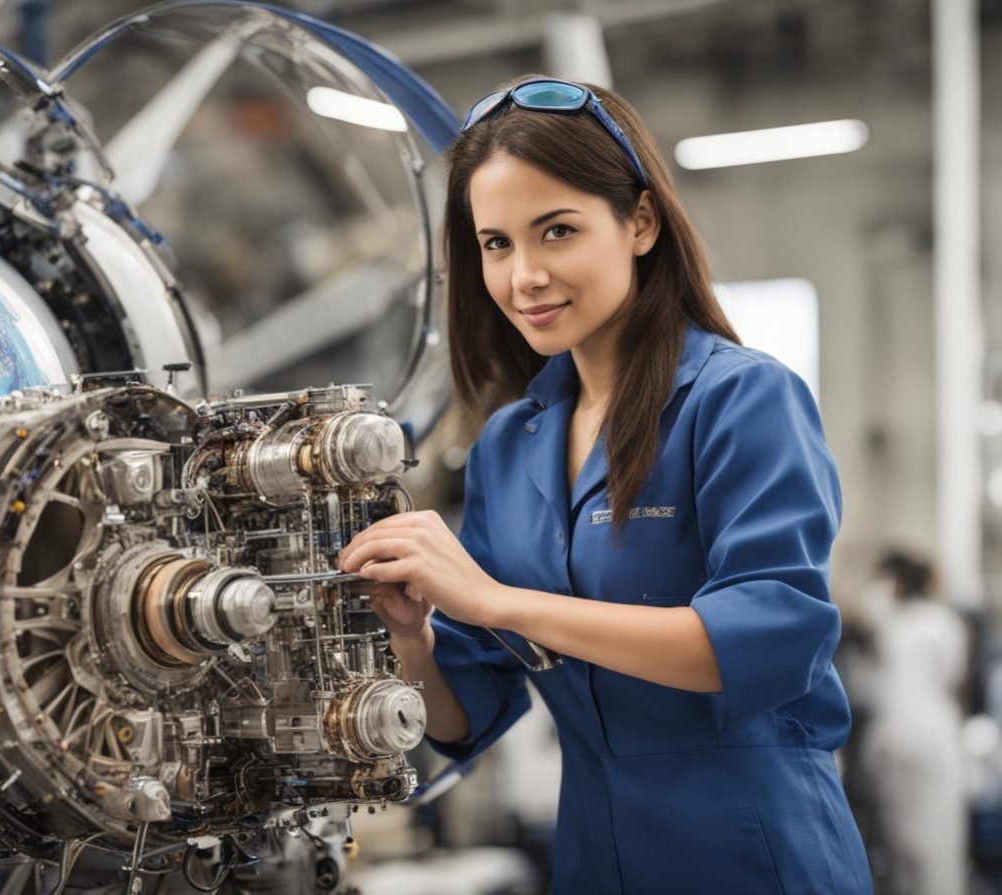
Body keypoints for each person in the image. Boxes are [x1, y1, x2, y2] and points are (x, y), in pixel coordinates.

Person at [338, 75, 873, 894]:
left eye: (556, 231)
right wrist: (413, 635)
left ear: (640, 222)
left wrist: (493, 600)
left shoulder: (739, 398)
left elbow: (769, 636)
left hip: (752, 843)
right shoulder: (508, 447)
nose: (523, 277)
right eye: (496, 244)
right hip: (594, 849)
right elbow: (463, 713)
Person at [860, 551, 969, 895]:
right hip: (914, 738)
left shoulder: (902, 622)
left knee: (923, 847)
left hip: (915, 739)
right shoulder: (933, 621)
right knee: (912, 844)